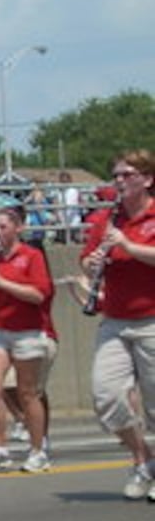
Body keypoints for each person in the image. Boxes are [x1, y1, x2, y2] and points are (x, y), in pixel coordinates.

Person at [80, 151, 155, 500]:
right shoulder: (106, 220)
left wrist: (129, 245)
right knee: (105, 396)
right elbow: (86, 260)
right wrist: (92, 263)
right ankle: (142, 459)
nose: (120, 181)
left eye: (127, 174)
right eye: (116, 176)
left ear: (147, 179)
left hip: (151, 320)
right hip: (115, 319)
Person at [0, 206, 55, 475]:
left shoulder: (31, 256)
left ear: (18, 228)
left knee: (27, 392)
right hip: (0, 329)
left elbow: (38, 295)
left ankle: (38, 450)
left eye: (3, 227)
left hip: (28, 330)